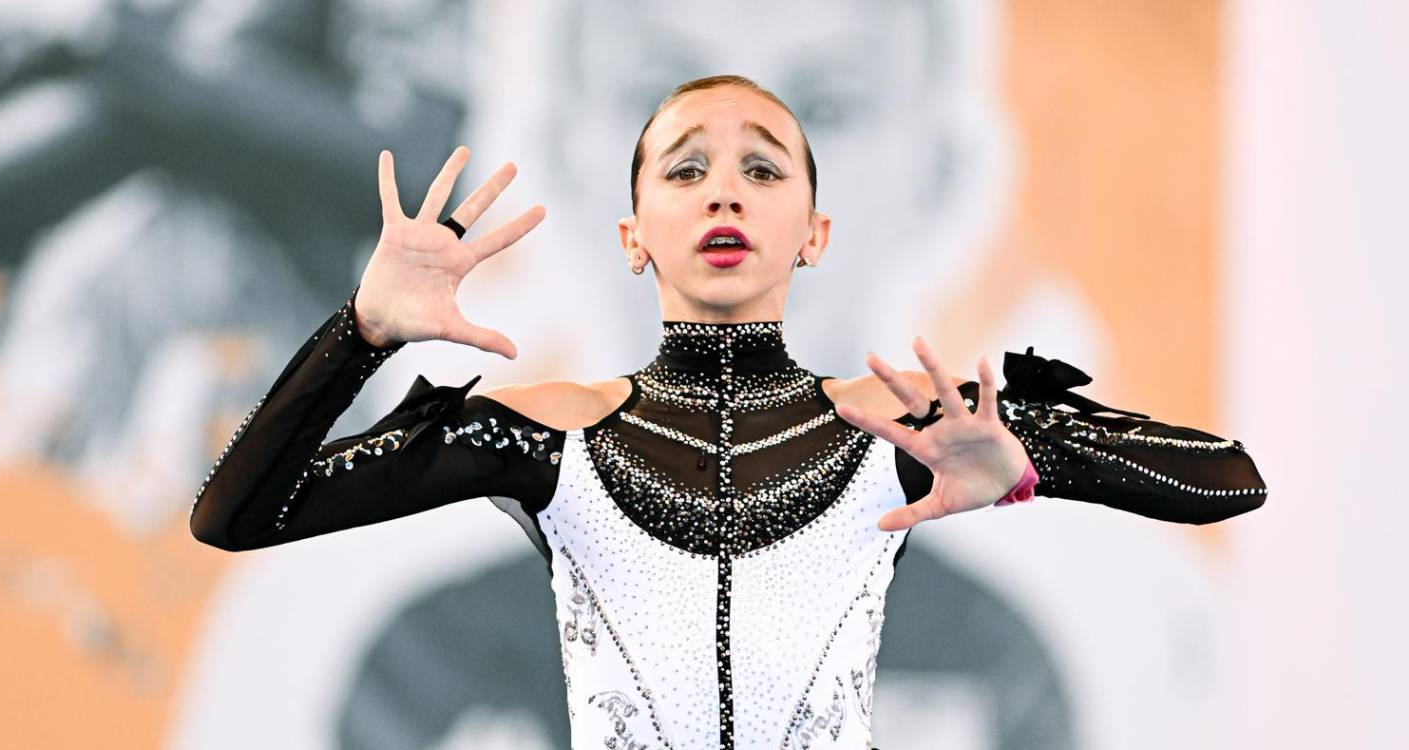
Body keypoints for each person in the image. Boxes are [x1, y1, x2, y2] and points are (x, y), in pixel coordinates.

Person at [190, 75, 1267, 749]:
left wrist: (1028, 465)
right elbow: (235, 514)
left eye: (761, 167)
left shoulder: (894, 423)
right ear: (631, 233)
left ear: (814, 232)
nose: (724, 192)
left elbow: (1231, 479)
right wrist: (361, 331)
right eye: (686, 168)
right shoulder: (543, 432)